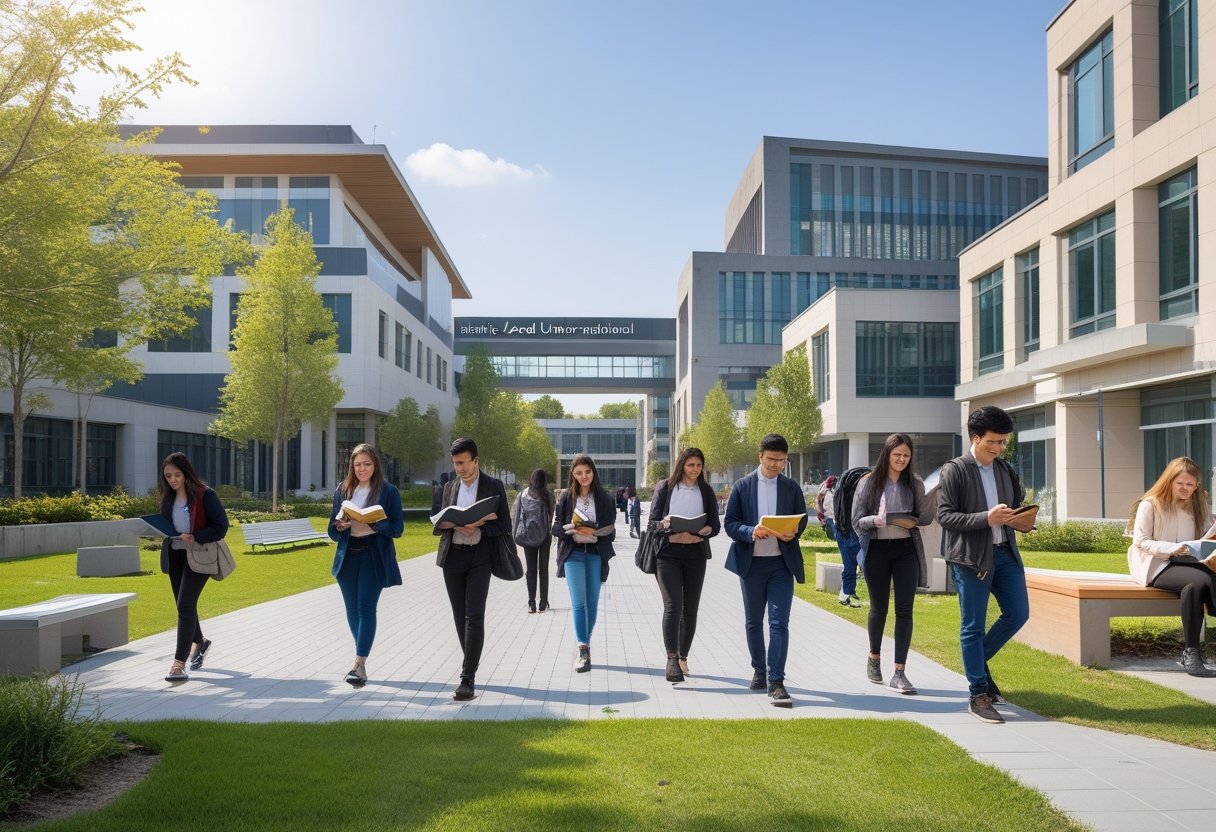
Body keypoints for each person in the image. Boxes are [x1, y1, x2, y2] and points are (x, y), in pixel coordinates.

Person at [937, 406, 1030, 724]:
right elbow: (945, 517)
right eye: (993, 441)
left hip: (1006, 554)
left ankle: (977, 661)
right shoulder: (955, 470)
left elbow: (1014, 507)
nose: (999, 448)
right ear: (975, 437)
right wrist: (986, 518)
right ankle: (978, 695)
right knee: (972, 627)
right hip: (970, 559)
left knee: (1019, 614)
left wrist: (1021, 519)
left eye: (1004, 442)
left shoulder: (1004, 470)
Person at [724, 433, 808, 705]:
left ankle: (777, 680)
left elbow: (801, 520)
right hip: (752, 565)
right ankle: (759, 670)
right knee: (753, 621)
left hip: (782, 565)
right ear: (760, 456)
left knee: (779, 622)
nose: (775, 465)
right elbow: (731, 524)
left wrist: (793, 532)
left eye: (781, 461)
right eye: (771, 459)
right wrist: (752, 531)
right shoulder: (742, 486)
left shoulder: (791, 487)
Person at [851, 434, 934, 694]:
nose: (901, 459)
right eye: (897, 454)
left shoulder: (915, 483)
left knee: (905, 609)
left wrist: (923, 509)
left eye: (906, 455)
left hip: (905, 550)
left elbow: (924, 518)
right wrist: (876, 520)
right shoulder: (868, 483)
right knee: (879, 608)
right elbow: (856, 522)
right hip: (876, 549)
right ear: (887, 454)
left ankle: (900, 672)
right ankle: (874, 657)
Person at [433, 437, 512, 701]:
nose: (460, 469)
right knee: (459, 616)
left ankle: (467, 679)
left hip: (481, 556)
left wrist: (478, 525)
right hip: (452, 556)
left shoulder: (493, 485)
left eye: (464, 463)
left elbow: (504, 526)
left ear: (476, 461)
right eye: (456, 463)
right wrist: (453, 524)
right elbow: (436, 522)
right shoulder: (449, 487)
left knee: (474, 616)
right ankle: (471, 664)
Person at [1126, 456, 1216, 677]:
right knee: (1199, 582)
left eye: (1190, 485)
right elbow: (1141, 541)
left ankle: (1191, 653)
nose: (1185, 489)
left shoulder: (1199, 505)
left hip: (1190, 561)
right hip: (1156, 563)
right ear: (1169, 481)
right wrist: (1173, 548)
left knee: (1195, 586)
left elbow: (1205, 536)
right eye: (1180, 484)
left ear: (1196, 486)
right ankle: (1191, 653)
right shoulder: (1150, 504)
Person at [327, 443, 404, 688]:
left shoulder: (388, 491)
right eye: (357, 464)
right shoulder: (343, 489)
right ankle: (361, 663)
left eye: (367, 464)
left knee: (366, 608)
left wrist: (374, 524)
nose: (362, 469)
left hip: (373, 556)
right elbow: (331, 529)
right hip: (348, 557)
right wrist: (340, 526)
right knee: (351, 611)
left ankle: (358, 663)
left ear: (375, 465)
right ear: (352, 466)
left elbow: (397, 529)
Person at [647, 447, 720, 682]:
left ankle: (683, 657)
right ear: (681, 465)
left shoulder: (706, 490)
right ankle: (671, 660)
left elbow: (715, 525)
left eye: (699, 466)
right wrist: (665, 525)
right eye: (691, 466)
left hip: (695, 555)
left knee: (690, 609)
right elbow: (651, 525)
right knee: (673, 607)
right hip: (667, 555)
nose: (695, 470)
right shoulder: (665, 488)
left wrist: (708, 529)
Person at [158, 452, 229, 683]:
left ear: (186, 473)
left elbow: (221, 527)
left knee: (185, 604)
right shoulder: (168, 497)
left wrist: (195, 536)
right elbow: (167, 525)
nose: (172, 480)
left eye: (177, 475)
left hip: (199, 555)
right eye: (168, 476)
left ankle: (179, 664)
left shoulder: (205, 495)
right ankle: (201, 641)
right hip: (175, 554)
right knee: (184, 605)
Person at [552, 453, 617, 673]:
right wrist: (570, 530)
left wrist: (597, 532)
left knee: (592, 603)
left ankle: (585, 644)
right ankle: (583, 648)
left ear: (593, 472)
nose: (583, 476)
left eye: (587, 472)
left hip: (596, 553)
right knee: (579, 603)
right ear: (573, 474)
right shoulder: (566, 498)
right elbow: (556, 528)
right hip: (574, 554)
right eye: (579, 473)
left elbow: (611, 530)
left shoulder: (605, 498)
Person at [513, 467, 554, 614]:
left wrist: (514, 536)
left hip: (528, 535)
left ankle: (531, 603)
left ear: (531, 480)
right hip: (545, 536)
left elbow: (516, 517)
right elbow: (551, 515)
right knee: (543, 570)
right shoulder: (547, 495)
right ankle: (543, 602)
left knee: (531, 570)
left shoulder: (522, 495)